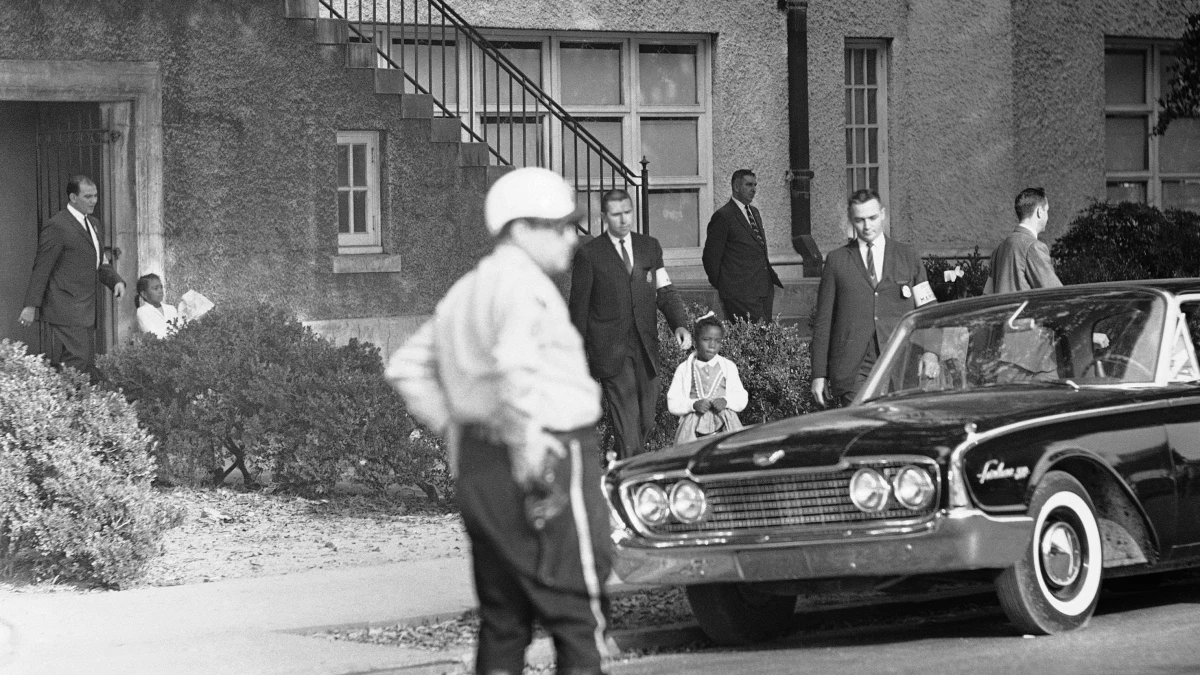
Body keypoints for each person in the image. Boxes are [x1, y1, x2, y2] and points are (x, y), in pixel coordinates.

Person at [386, 167, 612, 675]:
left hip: (481, 464)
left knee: (504, 620)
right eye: (561, 226)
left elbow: (406, 368)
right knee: (579, 613)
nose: (572, 238)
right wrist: (526, 441)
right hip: (549, 457)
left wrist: (456, 427)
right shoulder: (525, 287)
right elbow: (515, 364)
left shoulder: (467, 290)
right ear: (521, 228)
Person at [568, 189, 691, 461]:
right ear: (603, 217)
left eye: (627, 212)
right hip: (610, 351)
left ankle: (618, 458)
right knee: (627, 419)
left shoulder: (650, 247)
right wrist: (576, 358)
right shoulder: (589, 254)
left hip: (646, 346)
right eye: (616, 214)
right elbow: (578, 311)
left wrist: (679, 324)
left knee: (646, 418)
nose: (623, 220)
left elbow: (665, 291)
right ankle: (633, 469)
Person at [811, 189, 932, 407]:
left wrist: (931, 352)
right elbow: (823, 322)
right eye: (859, 220)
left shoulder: (907, 255)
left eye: (872, 218)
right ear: (851, 219)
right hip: (854, 367)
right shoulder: (837, 261)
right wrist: (819, 374)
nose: (867, 227)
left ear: (883, 214)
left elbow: (928, 308)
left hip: (900, 361)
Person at [18, 175, 125, 379]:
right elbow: (42, 267)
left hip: (85, 307)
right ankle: (63, 403)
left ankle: (69, 404)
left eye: (95, 196)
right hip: (65, 305)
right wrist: (31, 305)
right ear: (73, 197)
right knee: (78, 359)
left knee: (81, 361)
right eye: (88, 196)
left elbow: (100, 260)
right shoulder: (57, 225)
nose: (94, 200)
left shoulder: (94, 224)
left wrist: (115, 280)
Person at [702, 169, 783, 323]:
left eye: (755, 185)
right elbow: (711, 258)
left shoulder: (754, 212)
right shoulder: (724, 216)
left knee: (763, 338)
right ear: (736, 187)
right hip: (739, 293)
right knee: (758, 336)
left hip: (763, 290)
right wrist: (727, 287)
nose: (753, 190)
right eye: (748, 185)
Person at [667, 312, 747, 444]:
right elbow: (673, 401)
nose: (712, 345)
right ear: (695, 341)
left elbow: (741, 396)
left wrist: (726, 401)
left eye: (717, 341)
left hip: (725, 424)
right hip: (693, 426)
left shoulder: (728, 367)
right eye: (706, 339)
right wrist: (692, 404)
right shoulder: (685, 369)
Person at [983, 187, 1063, 294]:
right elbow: (1057, 294)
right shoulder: (1034, 247)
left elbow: (986, 294)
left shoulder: (999, 249)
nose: (1048, 217)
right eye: (1047, 211)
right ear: (1039, 211)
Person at [134, 273, 179, 338]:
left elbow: (179, 329)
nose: (160, 291)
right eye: (155, 288)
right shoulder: (142, 312)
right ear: (144, 294)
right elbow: (153, 335)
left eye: (161, 287)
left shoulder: (171, 309)